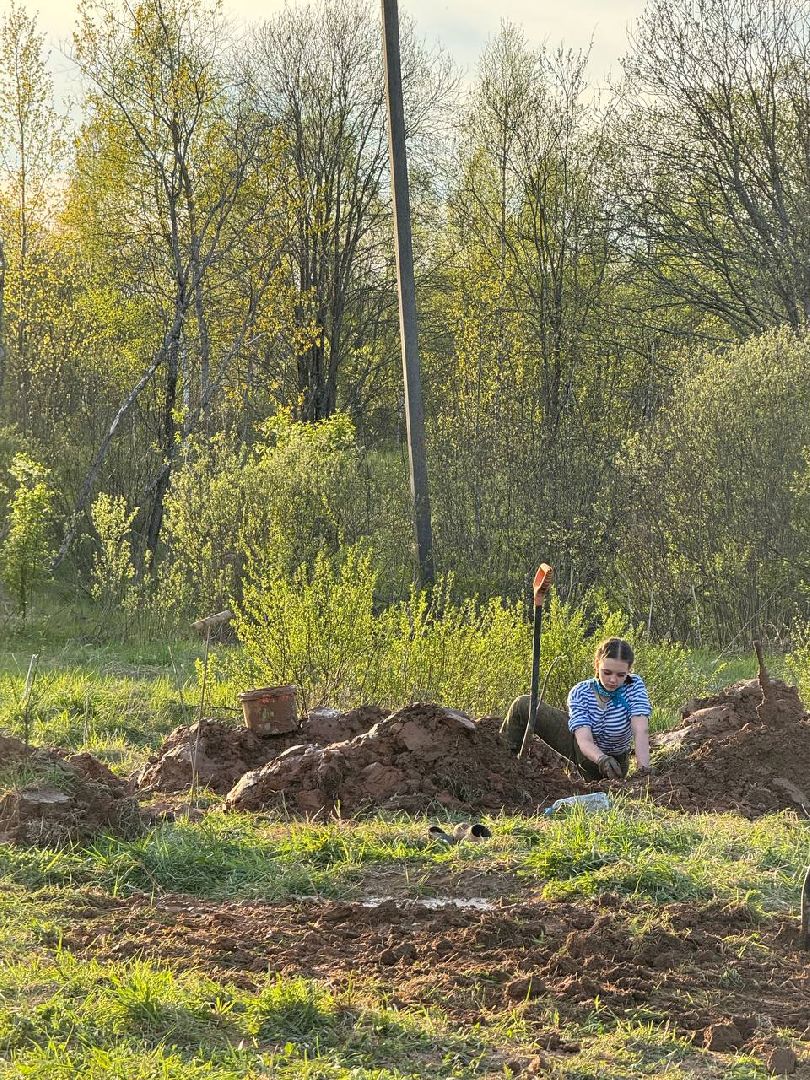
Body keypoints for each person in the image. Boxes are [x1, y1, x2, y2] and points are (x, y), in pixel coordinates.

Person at [500, 637, 652, 780]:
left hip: (616, 763)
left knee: (606, 776)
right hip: (587, 754)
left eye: (621, 675)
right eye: (607, 673)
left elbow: (640, 730)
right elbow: (584, 739)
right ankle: (502, 764)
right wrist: (602, 759)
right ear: (597, 665)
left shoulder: (634, 685)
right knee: (523, 705)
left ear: (629, 672)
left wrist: (643, 773)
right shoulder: (580, 692)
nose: (613, 680)